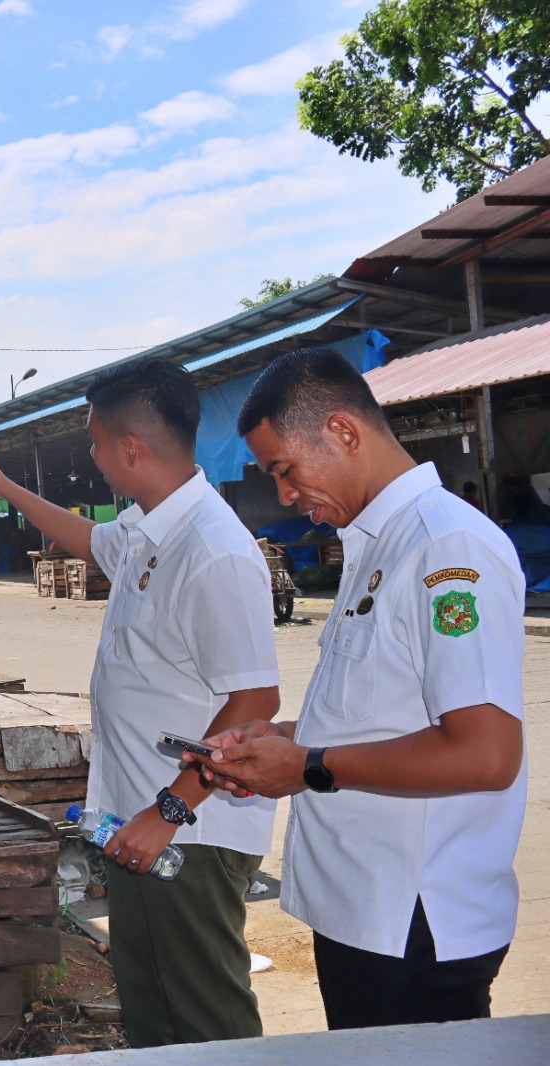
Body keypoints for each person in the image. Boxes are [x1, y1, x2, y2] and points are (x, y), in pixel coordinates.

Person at [194, 347, 526, 1031]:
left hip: (415, 921)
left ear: (343, 432)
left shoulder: (445, 547)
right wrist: (283, 741)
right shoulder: (377, 543)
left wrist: (311, 766)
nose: (284, 495)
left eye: (285, 471)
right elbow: (386, 711)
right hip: (368, 912)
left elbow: (486, 754)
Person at [0, 357, 280, 1048]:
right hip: (139, 822)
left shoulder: (214, 551)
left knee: (205, 1015)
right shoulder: (148, 530)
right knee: (152, 1005)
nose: (93, 456)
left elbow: (255, 697)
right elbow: (81, 535)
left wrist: (168, 809)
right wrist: (4, 487)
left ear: (130, 448)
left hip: (187, 828)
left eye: (95, 442)